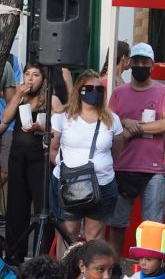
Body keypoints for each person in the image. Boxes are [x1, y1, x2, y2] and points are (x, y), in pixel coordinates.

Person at [110, 43, 165, 247]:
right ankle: (114, 263)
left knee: (152, 227)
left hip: (153, 170)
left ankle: (149, 264)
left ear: (152, 65)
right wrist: (124, 122)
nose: (140, 65)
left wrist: (134, 127)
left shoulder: (164, 92)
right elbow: (109, 123)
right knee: (117, 224)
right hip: (122, 167)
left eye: (144, 62)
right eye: (137, 61)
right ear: (130, 63)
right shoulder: (118, 93)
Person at [52, 68, 127, 243]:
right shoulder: (62, 117)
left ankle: (93, 263)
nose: (95, 92)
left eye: (99, 89)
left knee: (94, 235)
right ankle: (67, 262)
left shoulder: (112, 119)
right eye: (90, 88)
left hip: (102, 184)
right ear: (79, 90)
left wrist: (101, 165)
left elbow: (116, 149)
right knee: (68, 233)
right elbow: (52, 148)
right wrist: (68, 169)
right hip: (68, 183)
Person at [4, 63, 60, 262]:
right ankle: (14, 255)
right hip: (18, 156)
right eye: (27, 74)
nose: (30, 78)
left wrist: (40, 128)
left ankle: (41, 256)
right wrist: (17, 96)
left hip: (40, 157)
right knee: (16, 206)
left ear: (43, 79)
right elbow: (5, 118)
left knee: (42, 207)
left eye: (35, 75)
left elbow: (61, 128)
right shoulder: (21, 97)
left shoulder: (51, 99)